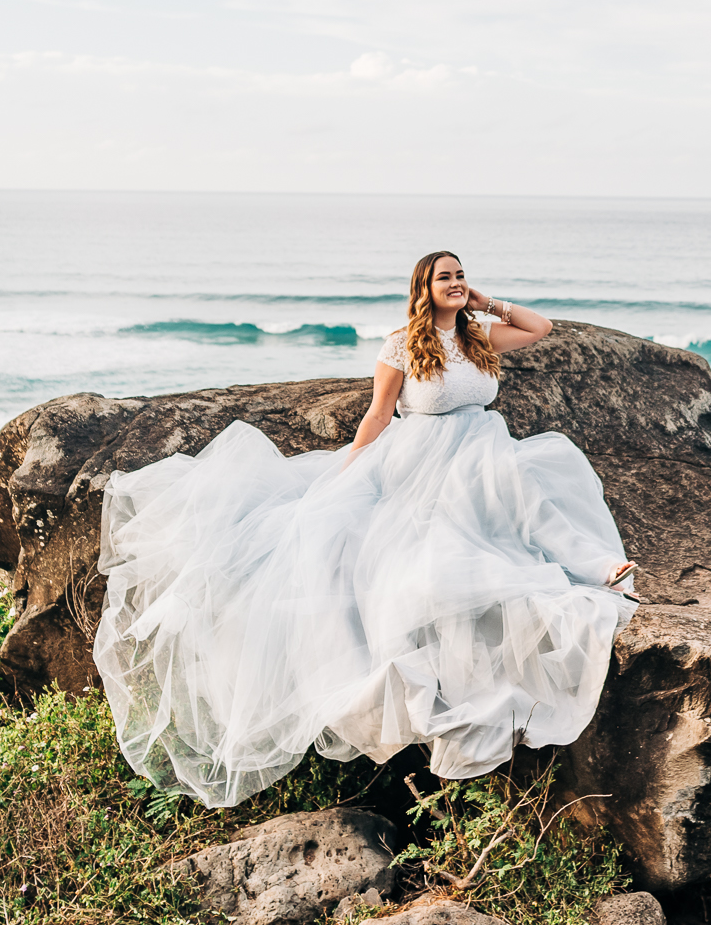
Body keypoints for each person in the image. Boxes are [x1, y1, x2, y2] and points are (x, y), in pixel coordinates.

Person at [93, 250, 638, 807]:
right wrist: (346, 470)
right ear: (421, 288)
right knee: (469, 524)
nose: (454, 283)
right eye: (443, 277)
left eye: (459, 276)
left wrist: (485, 302)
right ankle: (585, 566)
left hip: (480, 447)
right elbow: (379, 414)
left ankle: (596, 566)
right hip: (421, 457)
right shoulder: (402, 344)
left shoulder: (479, 338)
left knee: (526, 480)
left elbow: (541, 328)